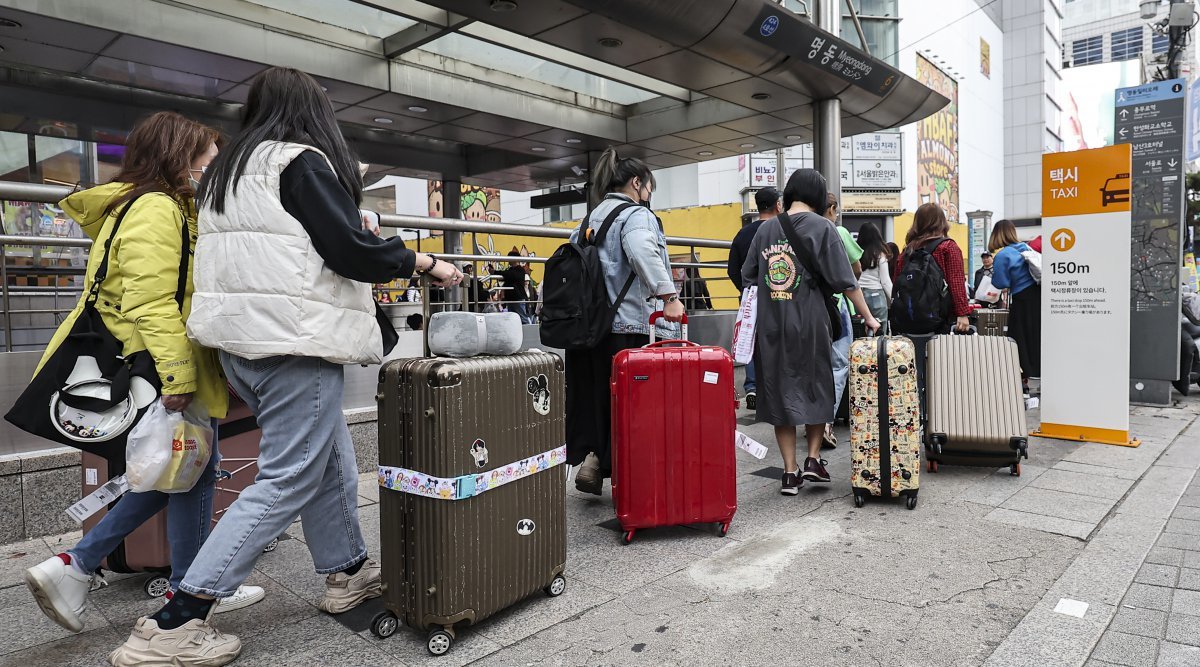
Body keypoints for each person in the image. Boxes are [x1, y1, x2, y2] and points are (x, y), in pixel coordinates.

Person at [107, 67, 463, 666]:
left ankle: (346, 570)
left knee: (328, 461)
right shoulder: (298, 161)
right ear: (310, 110)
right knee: (287, 478)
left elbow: (281, 246)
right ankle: (175, 622)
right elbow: (348, 250)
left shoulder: (227, 170)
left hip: (242, 348)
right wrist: (423, 263)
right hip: (294, 346)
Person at [23, 112, 265, 638]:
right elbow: (151, 299)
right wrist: (178, 377)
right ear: (180, 155)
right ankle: (130, 574)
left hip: (159, 357)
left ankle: (135, 574)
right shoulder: (155, 209)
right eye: (207, 156)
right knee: (190, 471)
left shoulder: (149, 206)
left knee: (182, 471)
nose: (213, 165)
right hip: (158, 361)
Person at [742, 169, 880, 496]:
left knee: (779, 394)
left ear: (789, 193)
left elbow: (748, 275)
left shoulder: (763, 231)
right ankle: (813, 458)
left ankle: (789, 473)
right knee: (817, 387)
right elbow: (847, 282)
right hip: (811, 323)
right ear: (819, 197)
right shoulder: (824, 228)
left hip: (773, 326)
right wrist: (870, 317)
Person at [567, 146, 685, 495]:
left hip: (588, 327)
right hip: (626, 325)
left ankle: (592, 457)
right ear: (637, 183)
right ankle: (632, 475)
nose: (649, 195)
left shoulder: (588, 219)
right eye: (649, 188)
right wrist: (670, 297)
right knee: (629, 401)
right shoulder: (636, 215)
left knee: (595, 395)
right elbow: (641, 251)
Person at [727, 188, 782, 410]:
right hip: (778, 296)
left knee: (750, 340)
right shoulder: (780, 230)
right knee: (777, 342)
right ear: (777, 205)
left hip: (750, 297)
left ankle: (751, 388)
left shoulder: (744, 233)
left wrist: (745, 289)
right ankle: (774, 390)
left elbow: (732, 269)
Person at [890, 203, 971, 335]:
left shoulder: (907, 252)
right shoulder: (948, 247)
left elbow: (896, 284)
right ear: (941, 222)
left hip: (908, 322)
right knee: (941, 354)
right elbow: (956, 283)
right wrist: (962, 313)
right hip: (940, 321)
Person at [822, 193, 863, 450]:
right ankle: (826, 421)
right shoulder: (839, 232)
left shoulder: (800, 230)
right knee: (838, 364)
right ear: (833, 208)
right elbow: (855, 270)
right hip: (837, 305)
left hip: (808, 308)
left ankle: (813, 421)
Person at [989, 219, 1041, 386]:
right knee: (1035, 336)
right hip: (1038, 296)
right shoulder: (1026, 248)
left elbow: (1000, 283)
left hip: (1022, 299)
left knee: (1018, 337)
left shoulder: (1003, 255)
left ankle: (1025, 376)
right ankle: (1037, 373)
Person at [856, 221, 892, 330]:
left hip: (858, 296)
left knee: (859, 332)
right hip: (876, 295)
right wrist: (893, 299)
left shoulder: (856, 253)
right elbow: (885, 282)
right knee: (879, 334)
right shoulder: (880, 255)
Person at [500, 251, 531, 323]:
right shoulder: (511, 270)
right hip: (512, 298)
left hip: (518, 298)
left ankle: (528, 332)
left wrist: (495, 272)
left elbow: (511, 275)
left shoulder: (519, 270)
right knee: (513, 319)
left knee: (522, 318)